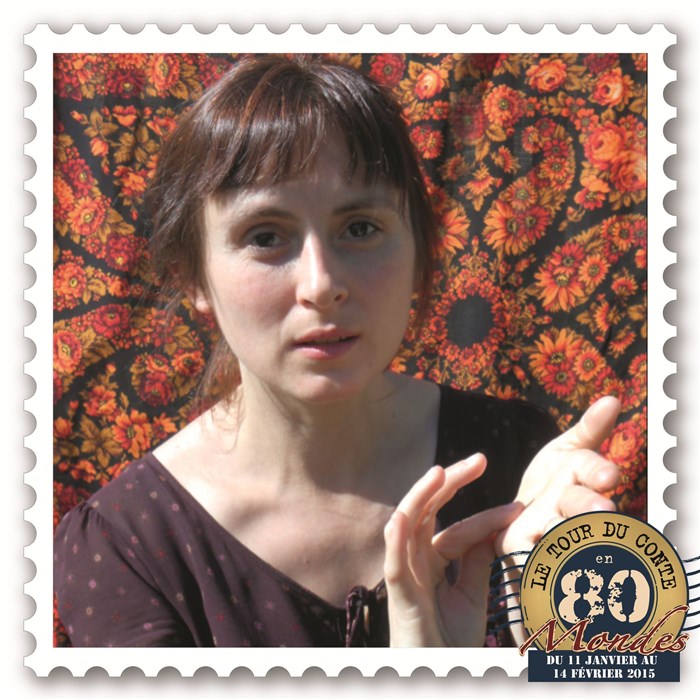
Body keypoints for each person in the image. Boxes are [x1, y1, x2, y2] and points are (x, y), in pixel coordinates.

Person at [53, 54, 621, 648]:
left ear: (419, 248)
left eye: (359, 228)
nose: (322, 285)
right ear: (192, 275)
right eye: (266, 236)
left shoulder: (519, 463)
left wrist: (570, 627)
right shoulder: (128, 549)